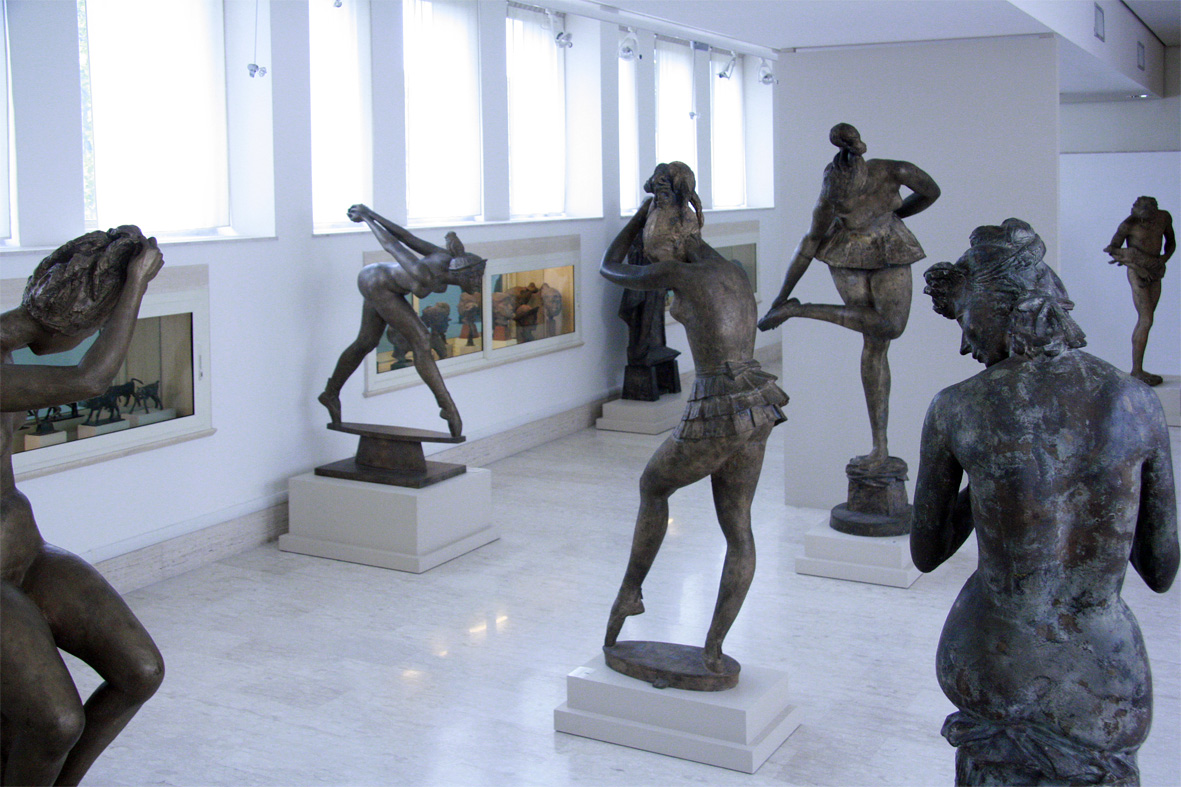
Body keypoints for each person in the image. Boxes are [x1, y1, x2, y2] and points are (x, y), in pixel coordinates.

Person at [914, 219, 1177, 785]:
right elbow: (1161, 569)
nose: (964, 341)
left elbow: (926, 552)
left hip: (993, 662)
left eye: (964, 318)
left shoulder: (958, 406)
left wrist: (996, 476)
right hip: (1107, 681)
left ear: (995, 306)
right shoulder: (1136, 402)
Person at [602, 163, 788, 674]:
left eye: (657, 247)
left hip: (717, 404)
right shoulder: (735, 270)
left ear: (675, 235)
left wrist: (637, 218)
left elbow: (609, 266)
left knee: (652, 486)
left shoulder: (679, 273)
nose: (655, 259)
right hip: (757, 400)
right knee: (739, 530)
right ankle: (712, 649)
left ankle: (632, 592)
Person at [1, 226, 166, 786]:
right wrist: (135, 286)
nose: (94, 336)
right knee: (56, 722)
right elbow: (90, 377)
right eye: (98, 327)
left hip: (25, 549)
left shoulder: (4, 345)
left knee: (140, 672)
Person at [758, 123, 939, 467]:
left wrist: (895, 215)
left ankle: (801, 310)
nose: (841, 211)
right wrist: (781, 296)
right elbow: (808, 244)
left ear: (865, 187)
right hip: (847, 256)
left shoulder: (895, 172)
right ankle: (879, 446)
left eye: (847, 207)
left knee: (890, 327)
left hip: (891, 246)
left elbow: (931, 192)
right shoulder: (829, 198)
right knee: (874, 342)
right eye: (837, 208)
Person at [318, 205, 485, 437]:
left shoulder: (446, 257)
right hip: (376, 284)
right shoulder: (425, 275)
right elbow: (392, 245)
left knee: (366, 342)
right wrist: (367, 218)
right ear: (461, 274)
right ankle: (447, 407)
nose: (478, 283)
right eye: (474, 279)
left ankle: (330, 393)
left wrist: (373, 214)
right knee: (422, 340)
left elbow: (407, 237)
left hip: (379, 281)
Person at [1104, 195, 1175, 386]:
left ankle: (1138, 369)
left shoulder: (1163, 217)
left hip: (1155, 271)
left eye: (1148, 218)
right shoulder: (1128, 225)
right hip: (1137, 273)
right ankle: (1136, 371)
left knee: (1147, 320)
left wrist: (1161, 260)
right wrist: (1137, 265)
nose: (1145, 222)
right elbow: (1112, 249)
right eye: (1141, 218)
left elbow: (1171, 243)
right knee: (1146, 319)